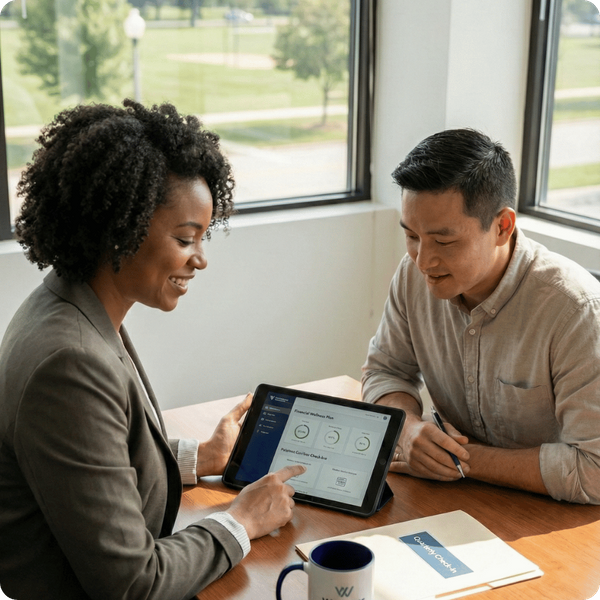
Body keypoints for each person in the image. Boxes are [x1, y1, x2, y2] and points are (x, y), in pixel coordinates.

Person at [0, 100, 305, 600]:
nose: (200, 260)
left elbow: (94, 462)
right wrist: (240, 520)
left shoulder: (68, 305)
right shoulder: (69, 364)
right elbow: (132, 583)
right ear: (120, 224)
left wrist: (199, 456)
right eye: (187, 238)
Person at [362, 128, 600, 505]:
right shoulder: (412, 276)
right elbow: (385, 371)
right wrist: (407, 431)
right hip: (457, 502)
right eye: (411, 236)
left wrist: (456, 460)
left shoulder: (576, 310)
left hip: (556, 519)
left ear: (502, 227)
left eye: (443, 241)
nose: (423, 261)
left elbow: (595, 470)